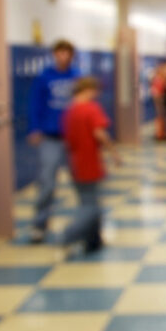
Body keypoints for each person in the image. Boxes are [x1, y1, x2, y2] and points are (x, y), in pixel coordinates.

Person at [60, 77, 118, 256]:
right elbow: (99, 133)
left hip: (74, 161)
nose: (97, 95)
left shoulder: (69, 111)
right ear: (89, 90)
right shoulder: (91, 109)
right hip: (89, 162)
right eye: (96, 91)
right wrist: (113, 152)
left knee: (87, 201)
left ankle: (93, 240)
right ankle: (68, 236)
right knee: (92, 207)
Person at [26, 39, 77, 242]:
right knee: (47, 183)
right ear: (54, 54)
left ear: (72, 55)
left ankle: (83, 227)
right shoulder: (44, 77)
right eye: (60, 53)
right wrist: (34, 128)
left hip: (73, 137)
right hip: (50, 136)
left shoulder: (77, 76)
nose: (63, 57)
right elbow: (34, 104)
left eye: (67, 53)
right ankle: (39, 225)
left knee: (82, 183)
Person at [151, 61, 166, 140]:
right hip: (159, 98)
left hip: (160, 98)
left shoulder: (159, 78)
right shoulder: (158, 79)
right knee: (160, 115)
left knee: (161, 115)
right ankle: (160, 133)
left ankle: (161, 132)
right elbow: (157, 90)